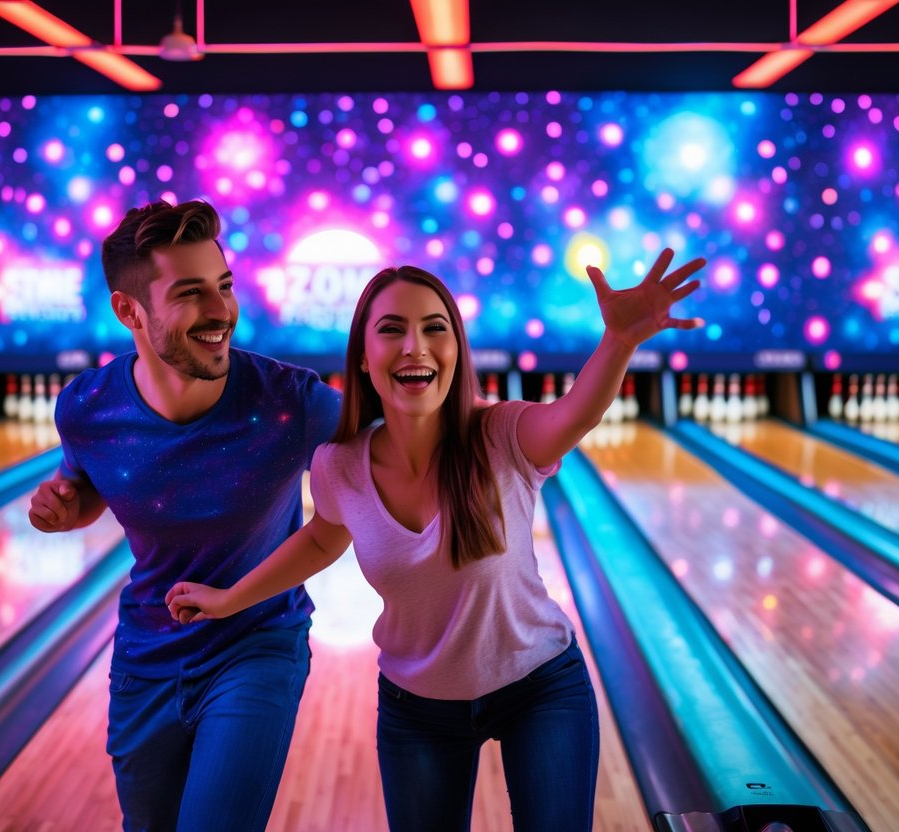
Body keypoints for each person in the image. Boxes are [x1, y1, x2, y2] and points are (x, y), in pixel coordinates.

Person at [166, 251, 705, 831]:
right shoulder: (339, 466)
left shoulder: (502, 436)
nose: (414, 347)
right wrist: (227, 599)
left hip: (540, 688)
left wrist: (620, 339)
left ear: (456, 351)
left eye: (434, 328)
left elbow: (576, 414)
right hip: (416, 706)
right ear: (366, 360)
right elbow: (321, 541)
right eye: (391, 330)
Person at [26, 199, 341, 832]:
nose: (221, 310)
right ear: (129, 312)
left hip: (257, 643)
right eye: (192, 293)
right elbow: (86, 490)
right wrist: (64, 510)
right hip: (147, 654)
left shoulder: (292, 401)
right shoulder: (86, 407)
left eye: (224, 286)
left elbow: (407, 452)